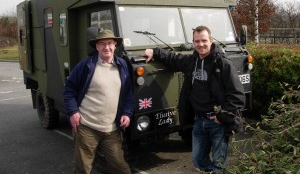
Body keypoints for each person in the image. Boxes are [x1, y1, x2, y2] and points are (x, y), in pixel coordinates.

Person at [143, 25, 245, 173]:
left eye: (204, 40)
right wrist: (155, 51)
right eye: (197, 41)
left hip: (217, 122)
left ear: (210, 40)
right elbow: (174, 58)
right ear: (193, 42)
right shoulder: (193, 61)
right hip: (199, 122)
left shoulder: (222, 64)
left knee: (219, 163)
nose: (200, 44)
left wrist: (222, 116)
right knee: (197, 160)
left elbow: (237, 96)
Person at [64, 29, 135, 174]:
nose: (106, 47)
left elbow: (128, 94)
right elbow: (69, 89)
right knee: (83, 169)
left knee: (121, 168)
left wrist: (127, 113)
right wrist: (72, 112)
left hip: (112, 129)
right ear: (96, 47)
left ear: (115, 45)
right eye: (102, 43)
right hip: (86, 127)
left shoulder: (122, 66)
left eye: (109, 43)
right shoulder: (86, 66)